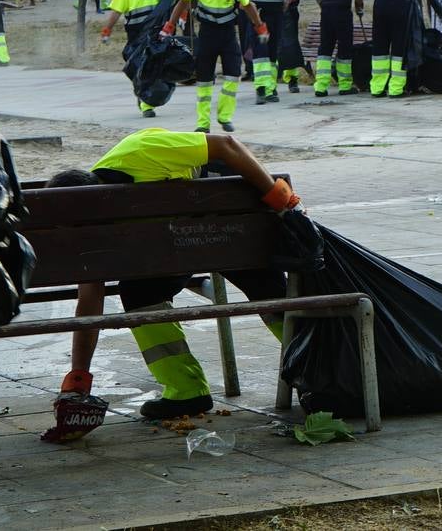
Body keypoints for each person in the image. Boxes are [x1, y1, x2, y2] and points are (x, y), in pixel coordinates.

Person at [40, 130, 300, 437]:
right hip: (208, 235)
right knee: (258, 283)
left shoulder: (139, 151)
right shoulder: (99, 209)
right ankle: (320, 369)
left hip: (221, 222)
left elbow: (225, 145)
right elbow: (90, 300)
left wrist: (79, 375)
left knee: (146, 292)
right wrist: (279, 199)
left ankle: (187, 388)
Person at [162, 0, 267, 133]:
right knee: (204, 79)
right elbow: (183, 2)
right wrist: (170, 25)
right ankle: (203, 123)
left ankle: (225, 116)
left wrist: (260, 26)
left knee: (234, 75)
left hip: (227, 34)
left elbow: (247, 5)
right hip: (207, 34)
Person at [100, 0, 174, 118]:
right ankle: (144, 101)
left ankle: (148, 99)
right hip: (136, 35)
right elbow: (116, 11)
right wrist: (107, 30)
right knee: (141, 68)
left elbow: (171, 2)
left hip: (156, 34)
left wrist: (179, 18)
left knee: (156, 67)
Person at [240, 0, 299, 105]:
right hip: (259, 17)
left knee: (273, 51)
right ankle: (261, 88)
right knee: (261, 50)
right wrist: (250, 11)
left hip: (277, 15)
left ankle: (271, 87)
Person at [314, 0, 365, 97]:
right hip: (341, 10)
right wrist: (359, 7)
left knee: (325, 47)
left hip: (326, 10)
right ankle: (344, 85)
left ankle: (321, 86)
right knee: (344, 47)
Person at [274, 0, 312, 94]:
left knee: (290, 44)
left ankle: (292, 79)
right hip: (270, 10)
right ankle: (270, 82)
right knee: (271, 44)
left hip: (290, 10)